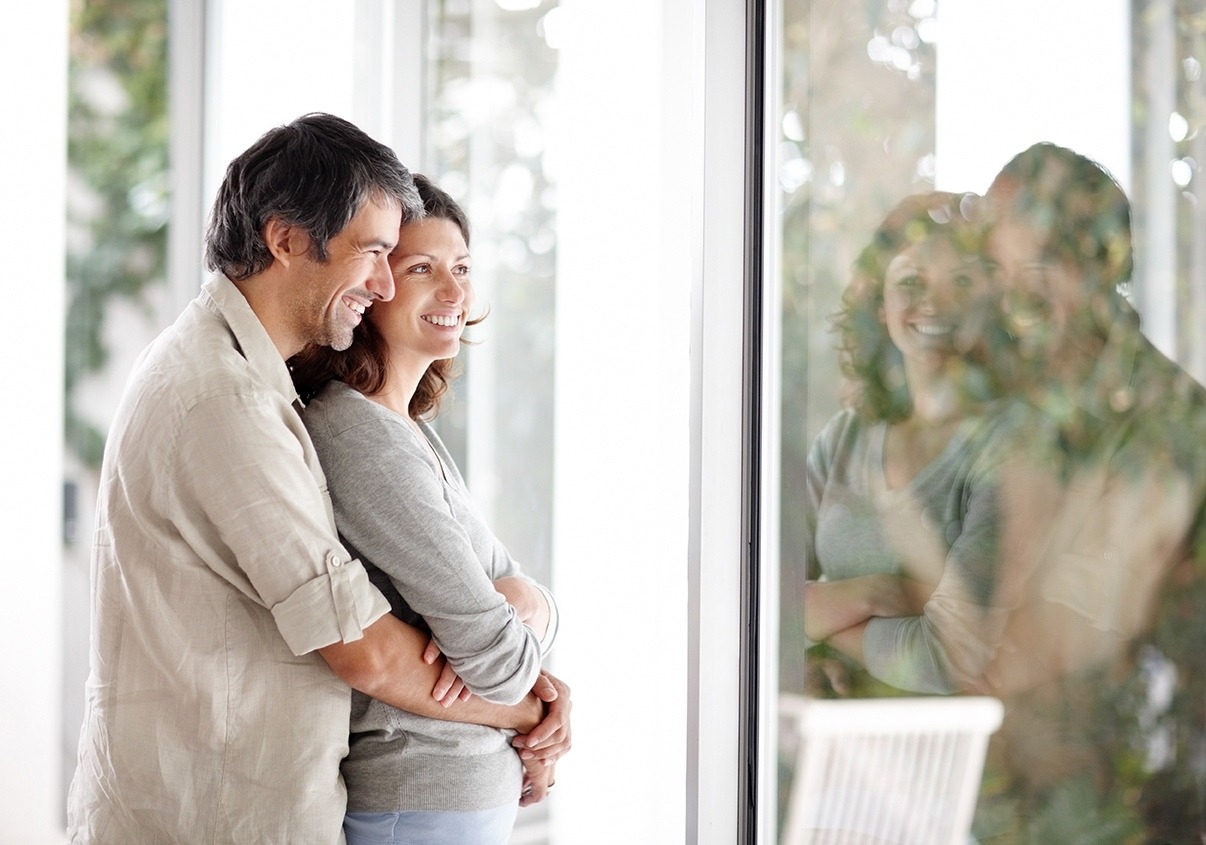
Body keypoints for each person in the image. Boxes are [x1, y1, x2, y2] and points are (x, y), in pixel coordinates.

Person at [67, 113, 570, 845]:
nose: (381, 282)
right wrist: (532, 712)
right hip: (209, 816)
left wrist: (527, 620)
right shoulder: (225, 399)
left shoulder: (245, 381)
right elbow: (365, 649)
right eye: (376, 253)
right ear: (286, 239)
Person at [289, 174, 561, 844]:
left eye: (462, 268)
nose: (454, 292)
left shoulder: (408, 430)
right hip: (420, 797)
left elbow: (515, 608)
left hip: (451, 799)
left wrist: (520, 599)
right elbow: (497, 662)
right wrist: (535, 701)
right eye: (422, 268)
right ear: (373, 286)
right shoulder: (360, 436)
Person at [973, 141, 1206, 838]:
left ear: (1099, 269)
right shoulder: (1002, 420)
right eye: (997, 271)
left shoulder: (1169, 432)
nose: (1011, 302)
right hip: (1001, 800)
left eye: (1037, 269)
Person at [796, 190, 1032, 696]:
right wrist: (880, 593)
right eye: (910, 281)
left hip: (954, 744)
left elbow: (950, 658)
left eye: (961, 281)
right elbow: (756, 603)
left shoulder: (1008, 446)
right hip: (832, 739)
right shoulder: (844, 438)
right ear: (880, 305)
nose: (935, 302)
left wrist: (820, 625)